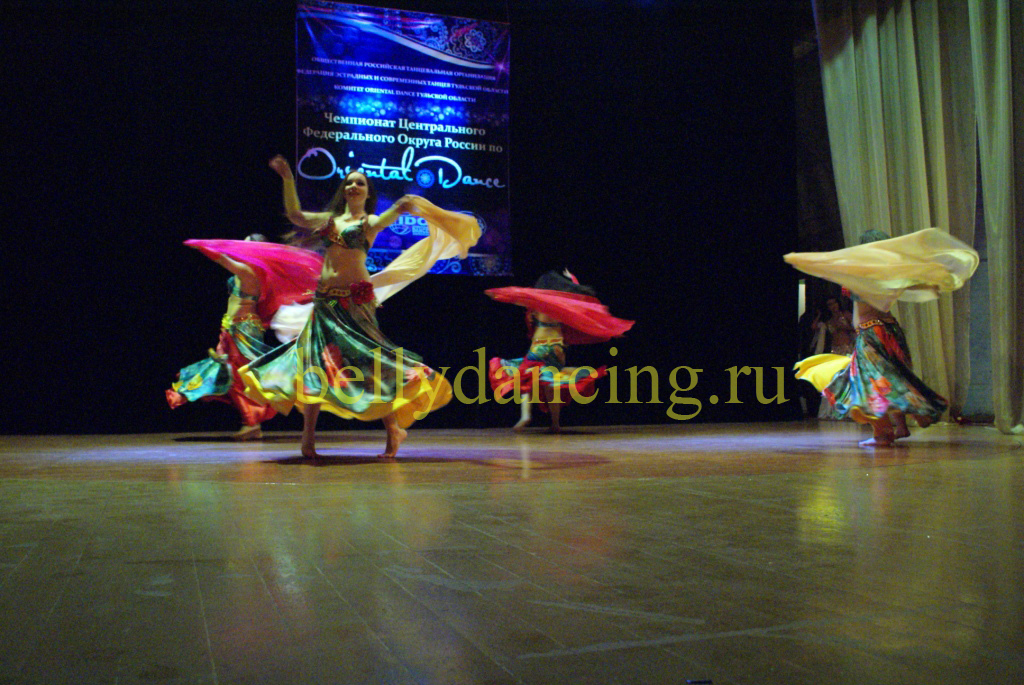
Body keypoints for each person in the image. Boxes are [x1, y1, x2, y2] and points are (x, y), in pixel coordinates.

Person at [239, 156, 477, 459]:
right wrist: (287, 178)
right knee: (314, 366)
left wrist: (404, 205)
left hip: (355, 303)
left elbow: (396, 212)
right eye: (349, 182)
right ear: (344, 190)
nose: (353, 186)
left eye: (360, 183)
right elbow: (296, 215)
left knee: (370, 366)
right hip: (325, 302)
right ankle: (307, 440)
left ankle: (393, 429)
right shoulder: (330, 221)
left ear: (367, 193)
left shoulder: (370, 223)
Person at [786, 228, 979, 447]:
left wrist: (804, 261)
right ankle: (904, 424)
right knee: (891, 376)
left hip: (871, 332)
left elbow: (832, 268)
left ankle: (884, 432)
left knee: (868, 383)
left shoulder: (863, 272)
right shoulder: (890, 273)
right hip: (890, 330)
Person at [166, 234, 320, 440]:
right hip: (233, 327)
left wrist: (202, 246)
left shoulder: (248, 271)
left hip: (243, 329)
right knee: (233, 374)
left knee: (237, 376)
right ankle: (250, 421)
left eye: (247, 247)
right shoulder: (247, 271)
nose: (241, 251)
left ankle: (252, 422)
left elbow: (222, 259)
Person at [487, 270, 634, 432]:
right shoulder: (562, 305)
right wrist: (573, 280)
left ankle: (526, 416)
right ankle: (555, 423)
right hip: (557, 349)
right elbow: (582, 306)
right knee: (551, 384)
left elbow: (516, 297)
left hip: (538, 348)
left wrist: (497, 294)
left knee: (526, 379)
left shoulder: (537, 303)